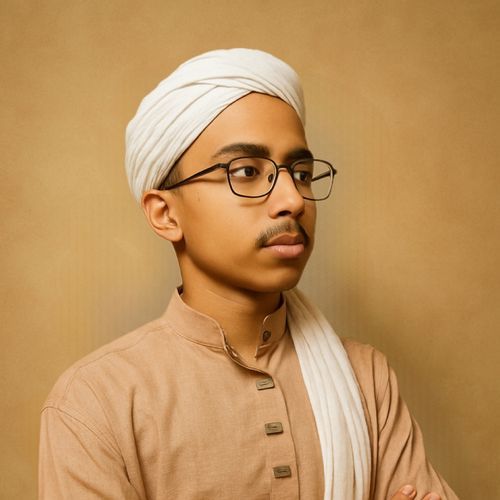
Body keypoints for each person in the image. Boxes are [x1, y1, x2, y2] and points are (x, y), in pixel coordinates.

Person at [39, 49, 457, 500]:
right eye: (246, 172)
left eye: (301, 174)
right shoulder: (97, 401)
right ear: (165, 214)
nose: (292, 200)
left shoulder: (365, 378)